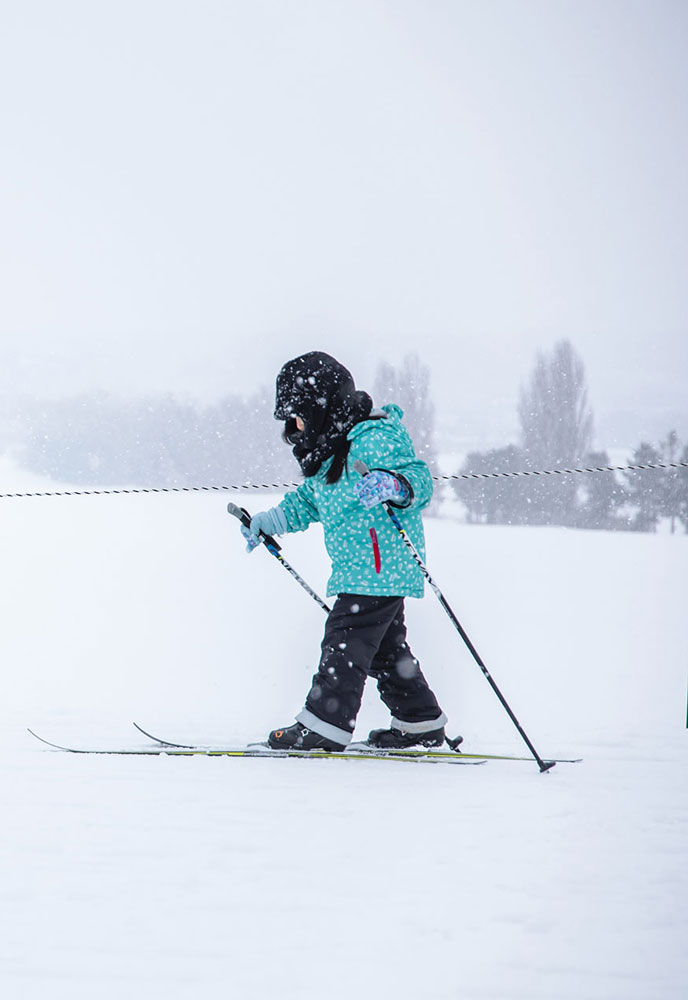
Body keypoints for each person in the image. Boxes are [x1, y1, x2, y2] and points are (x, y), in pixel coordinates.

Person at [242, 351, 447, 752]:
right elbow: (308, 502)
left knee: (345, 638)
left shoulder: (372, 439)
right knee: (385, 651)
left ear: (322, 406)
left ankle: (325, 723)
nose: (294, 429)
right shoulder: (331, 453)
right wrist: (270, 521)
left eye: (298, 417)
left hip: (380, 564)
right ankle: (418, 720)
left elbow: (419, 480)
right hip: (364, 569)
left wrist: (394, 486)